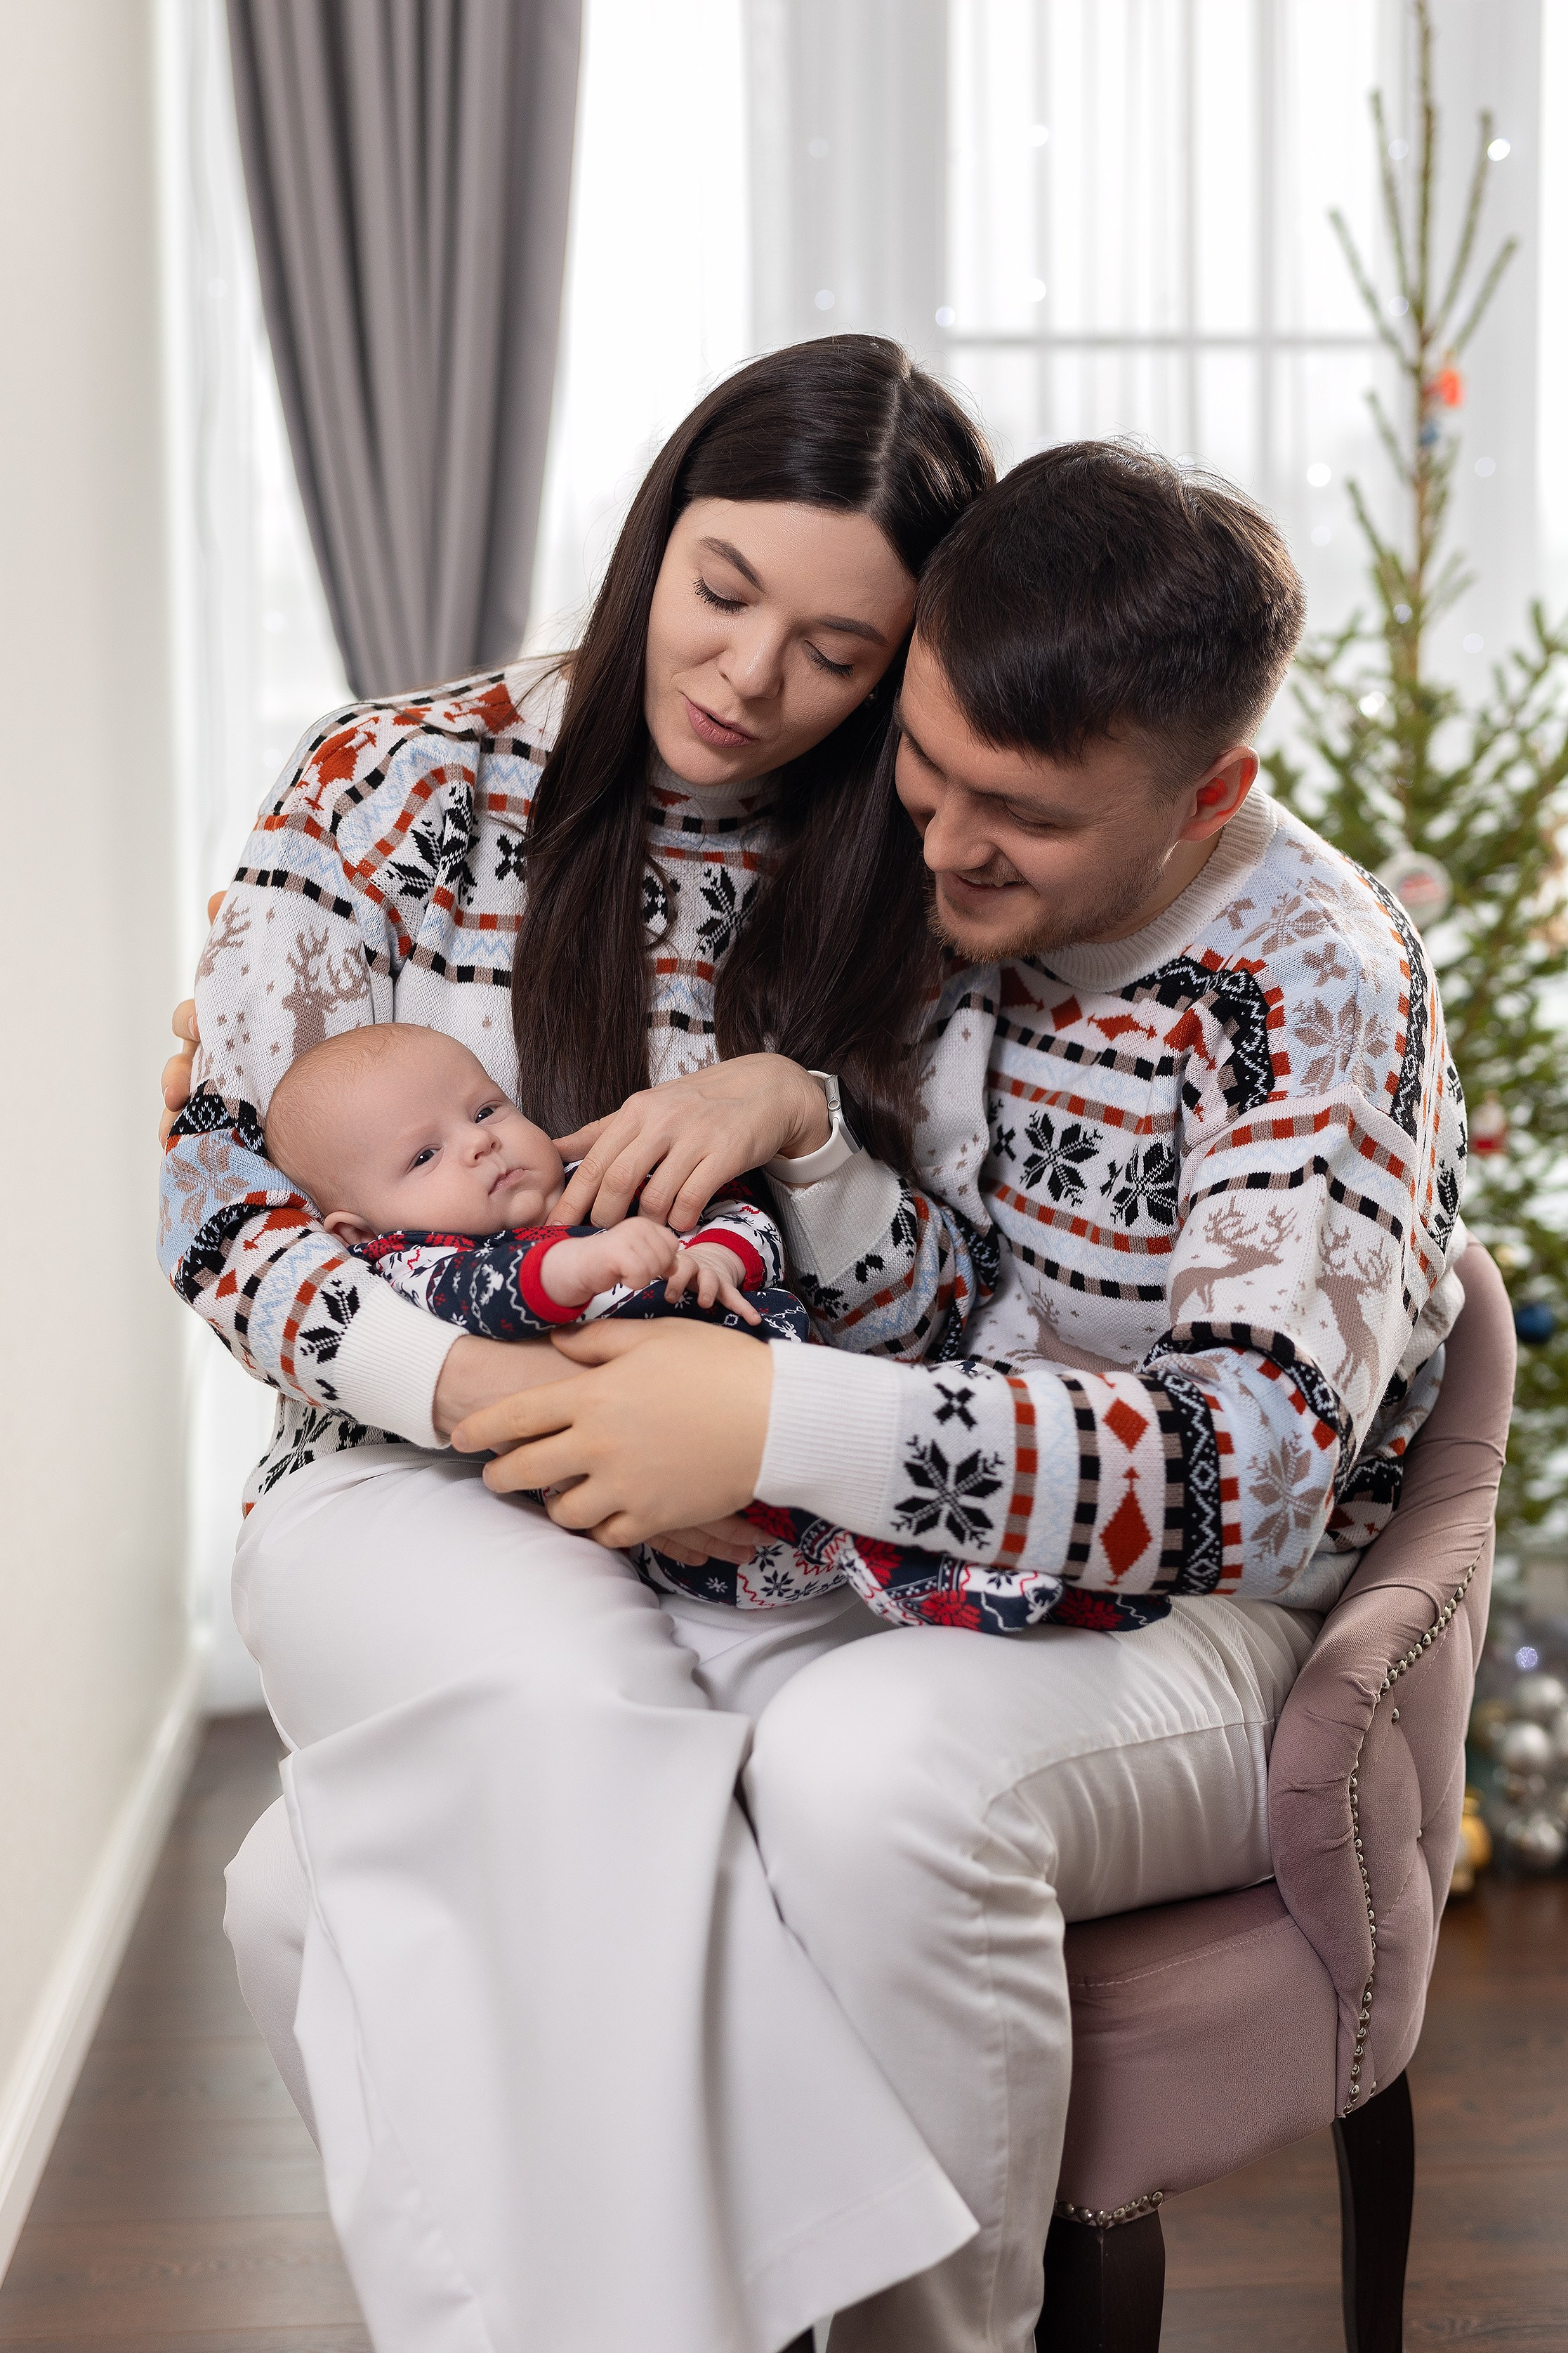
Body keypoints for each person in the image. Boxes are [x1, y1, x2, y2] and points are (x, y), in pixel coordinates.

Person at [159, 336, 997, 2353]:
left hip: (755, 1497)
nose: (746, 678)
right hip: (395, 1479)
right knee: (569, 1707)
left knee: (311, 1910)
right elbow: (210, 1196)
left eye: (832, 647)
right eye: (720, 591)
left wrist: (797, 1129)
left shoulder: (915, 872)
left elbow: (952, 1307)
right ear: (653, 535)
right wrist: (473, 1387)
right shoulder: (394, 775)